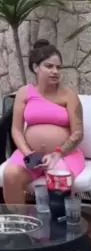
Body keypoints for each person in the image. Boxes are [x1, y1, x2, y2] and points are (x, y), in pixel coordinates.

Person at [3, 39, 85, 204]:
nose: (55, 71)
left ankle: (57, 220)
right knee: (10, 176)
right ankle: (19, 219)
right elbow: (16, 130)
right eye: (49, 66)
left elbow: (78, 133)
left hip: (63, 155)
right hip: (30, 155)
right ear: (35, 67)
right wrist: (29, 154)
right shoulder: (24, 93)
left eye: (58, 67)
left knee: (59, 180)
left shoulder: (69, 96)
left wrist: (57, 154)